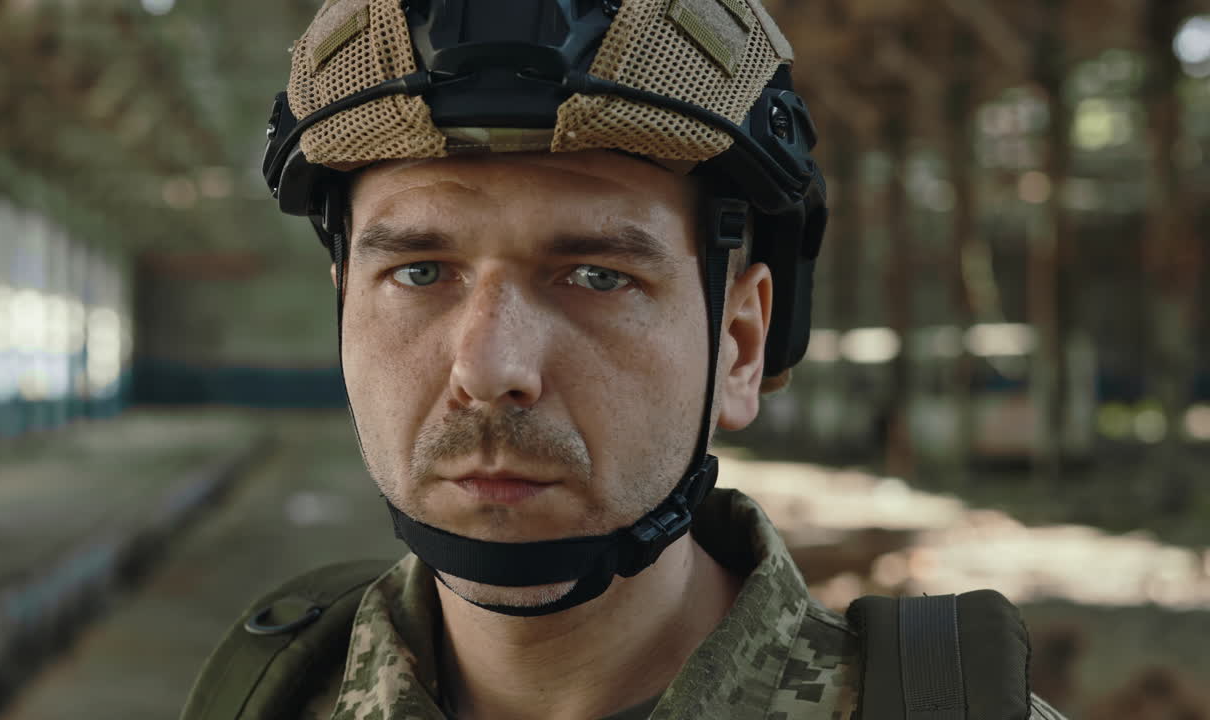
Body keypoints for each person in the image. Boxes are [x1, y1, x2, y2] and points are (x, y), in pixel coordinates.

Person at [183, 1, 1067, 718]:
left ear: (739, 345)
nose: (490, 368)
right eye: (420, 271)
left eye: (595, 276)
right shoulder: (265, 695)